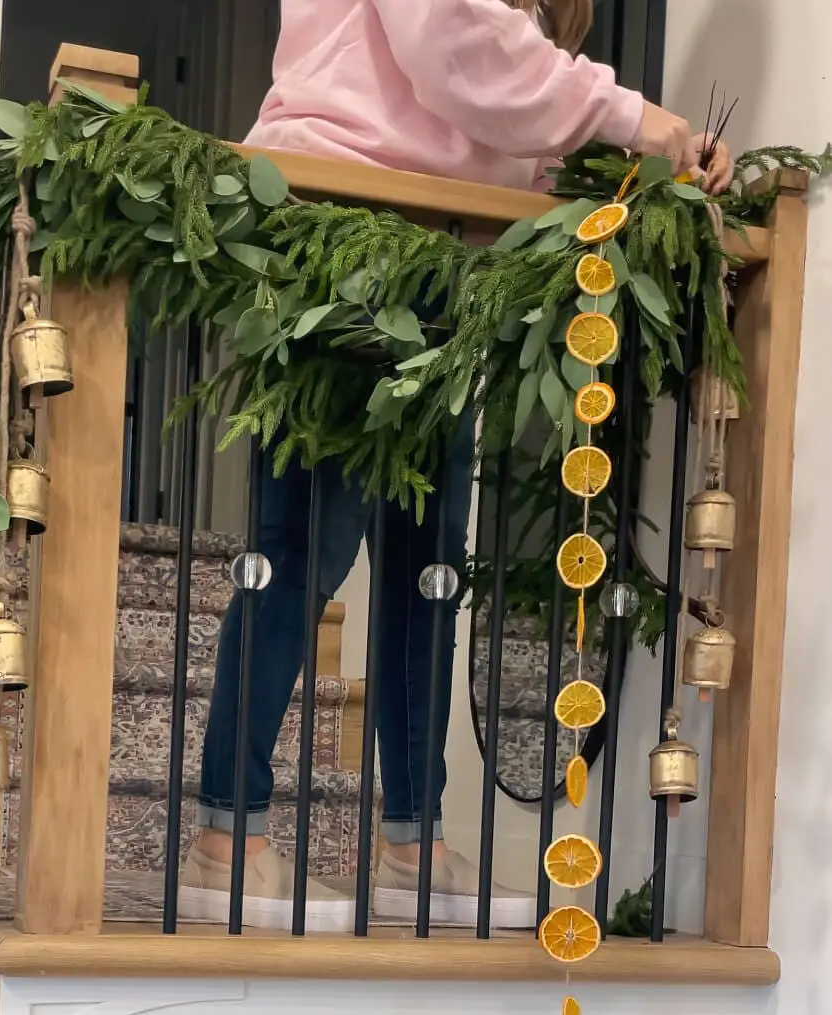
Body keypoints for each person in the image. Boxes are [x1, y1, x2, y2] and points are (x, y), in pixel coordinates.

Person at [179, 0, 735, 932]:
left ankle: (411, 841)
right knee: (303, 548)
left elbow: (495, 104)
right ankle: (226, 836)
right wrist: (638, 118)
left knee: (428, 568)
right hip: (343, 224)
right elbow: (453, 40)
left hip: (442, 252)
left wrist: (644, 162)